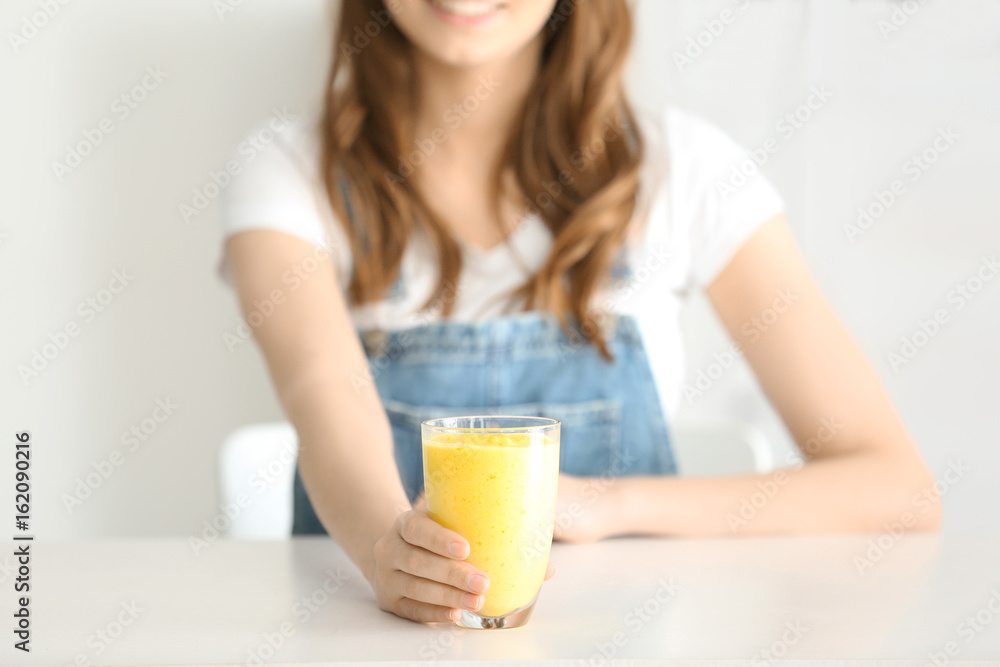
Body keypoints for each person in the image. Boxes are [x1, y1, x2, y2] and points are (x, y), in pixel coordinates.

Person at [221, 0, 940, 625]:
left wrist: (608, 504)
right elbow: (324, 394)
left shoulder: (683, 170)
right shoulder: (288, 171)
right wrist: (392, 550)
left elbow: (897, 489)